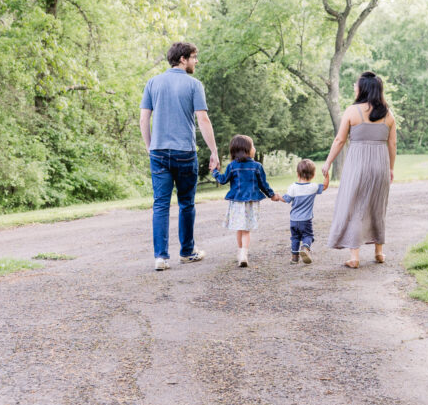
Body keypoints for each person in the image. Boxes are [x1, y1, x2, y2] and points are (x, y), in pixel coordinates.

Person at [139, 42, 220, 271]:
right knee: (186, 203)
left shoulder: (152, 83)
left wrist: (150, 146)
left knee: (161, 205)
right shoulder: (194, 85)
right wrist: (214, 151)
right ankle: (187, 252)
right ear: (183, 59)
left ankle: (161, 257)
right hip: (185, 152)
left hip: (159, 152)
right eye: (194, 57)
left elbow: (144, 119)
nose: (196, 62)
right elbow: (203, 120)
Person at [322, 71, 397, 268]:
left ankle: (354, 257)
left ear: (363, 89)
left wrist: (328, 162)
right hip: (380, 164)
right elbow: (393, 144)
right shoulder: (388, 114)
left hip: (358, 165)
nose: (354, 88)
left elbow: (339, 140)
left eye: (356, 85)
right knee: (377, 206)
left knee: (355, 207)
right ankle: (379, 253)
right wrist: (390, 168)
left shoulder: (352, 111)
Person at [211, 134, 280, 268]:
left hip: (236, 202)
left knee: (239, 228)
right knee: (246, 230)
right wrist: (272, 195)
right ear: (246, 149)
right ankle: (244, 254)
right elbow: (263, 184)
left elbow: (223, 179)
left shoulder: (232, 166)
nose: (254, 148)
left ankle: (240, 252)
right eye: (252, 146)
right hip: (250, 202)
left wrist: (214, 171)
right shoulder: (257, 166)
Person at [279, 158, 329, 264]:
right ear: (313, 175)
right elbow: (325, 186)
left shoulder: (293, 187)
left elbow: (286, 199)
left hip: (293, 220)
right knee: (308, 236)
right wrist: (327, 176)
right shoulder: (313, 187)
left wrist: (278, 196)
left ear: (297, 174)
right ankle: (305, 249)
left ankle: (294, 257)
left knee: (295, 238)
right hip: (306, 220)